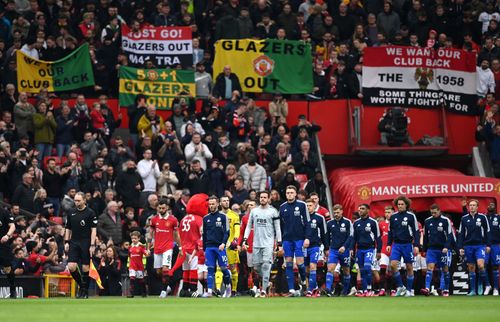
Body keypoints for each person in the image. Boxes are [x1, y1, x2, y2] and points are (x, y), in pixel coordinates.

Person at [243, 191, 282, 298]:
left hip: (268, 243)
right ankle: (267, 281)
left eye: (265, 197)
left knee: (266, 265)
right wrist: (245, 239)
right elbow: (248, 226)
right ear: (259, 198)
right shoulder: (254, 211)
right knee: (256, 267)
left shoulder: (273, 211)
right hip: (256, 243)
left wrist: (279, 242)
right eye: (261, 197)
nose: (263, 199)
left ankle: (263, 290)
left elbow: (277, 228)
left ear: (268, 198)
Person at [65, 192, 98, 299]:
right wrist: (66, 241)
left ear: (84, 200)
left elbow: (93, 230)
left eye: (79, 200)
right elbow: (68, 228)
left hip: (86, 241)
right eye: (75, 200)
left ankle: (85, 291)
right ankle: (82, 286)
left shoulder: (90, 213)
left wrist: (92, 244)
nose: (76, 202)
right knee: (71, 266)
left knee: (85, 267)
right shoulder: (71, 212)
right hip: (74, 241)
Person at [387, 196, 420, 297]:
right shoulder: (393, 217)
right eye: (398, 204)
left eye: (402, 204)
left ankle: (409, 290)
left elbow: (416, 231)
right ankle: (401, 286)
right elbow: (390, 231)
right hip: (396, 245)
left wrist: (416, 245)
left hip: (407, 244)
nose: (400, 206)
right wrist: (389, 243)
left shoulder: (411, 216)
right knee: (393, 265)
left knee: (409, 267)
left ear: (406, 205)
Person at [279, 185, 309, 296]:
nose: (290, 194)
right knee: (289, 264)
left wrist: (307, 238)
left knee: (300, 264)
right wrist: (280, 242)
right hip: (287, 239)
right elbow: (281, 226)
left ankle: (303, 283)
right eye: (288, 192)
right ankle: (291, 290)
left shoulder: (302, 205)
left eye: (292, 192)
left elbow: (307, 223)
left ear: (295, 194)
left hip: (299, 239)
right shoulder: (282, 207)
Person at [149, 198, 182, 298]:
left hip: (168, 247)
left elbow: (176, 235)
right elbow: (150, 234)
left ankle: (163, 291)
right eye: (160, 208)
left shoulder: (173, 219)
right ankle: (167, 286)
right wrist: (147, 247)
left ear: (167, 208)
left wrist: (180, 247)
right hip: (157, 248)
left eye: (163, 208)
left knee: (165, 269)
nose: (161, 210)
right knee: (158, 271)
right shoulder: (154, 220)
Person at [458, 199, 491, 296]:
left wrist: (488, 245)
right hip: (468, 246)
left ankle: (488, 285)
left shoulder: (482, 217)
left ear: (477, 207)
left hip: (480, 245)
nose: (472, 207)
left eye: (474, 205)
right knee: (471, 268)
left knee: (481, 265)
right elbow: (461, 234)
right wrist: (460, 247)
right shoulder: (464, 218)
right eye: (470, 205)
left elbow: (487, 231)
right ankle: (473, 290)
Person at [421, 204, 454, 297]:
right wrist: (424, 249)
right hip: (432, 249)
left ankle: (446, 289)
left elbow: (450, 235)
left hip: (443, 249)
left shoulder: (445, 220)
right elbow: (425, 236)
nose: (434, 214)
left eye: (435, 212)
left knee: (445, 269)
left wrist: (447, 246)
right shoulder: (427, 221)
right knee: (430, 268)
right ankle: (427, 288)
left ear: (439, 211)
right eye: (432, 213)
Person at [202, 196, 232, 298]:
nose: (211, 206)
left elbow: (227, 232)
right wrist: (204, 249)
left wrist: (223, 243)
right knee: (210, 269)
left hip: (220, 247)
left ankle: (228, 287)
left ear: (217, 204)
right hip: (209, 248)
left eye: (213, 204)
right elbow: (204, 235)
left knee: (224, 268)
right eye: (209, 204)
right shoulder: (205, 218)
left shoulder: (223, 217)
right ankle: (210, 291)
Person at [353, 204, 382, 297]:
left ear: (368, 210)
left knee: (367, 268)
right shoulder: (356, 223)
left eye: (362, 209)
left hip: (370, 249)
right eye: (359, 208)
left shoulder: (373, 222)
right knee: (361, 270)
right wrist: (352, 249)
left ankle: (370, 289)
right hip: (359, 249)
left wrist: (379, 251)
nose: (360, 210)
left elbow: (378, 237)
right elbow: (353, 238)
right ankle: (364, 290)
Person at [324, 204, 354, 296]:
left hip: (344, 250)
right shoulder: (329, 223)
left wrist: (345, 247)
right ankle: (328, 289)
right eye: (334, 213)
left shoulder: (348, 222)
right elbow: (326, 237)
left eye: (338, 212)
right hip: (333, 250)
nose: (336, 214)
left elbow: (350, 236)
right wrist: (327, 248)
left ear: (342, 211)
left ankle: (345, 291)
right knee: (330, 269)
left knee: (346, 271)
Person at [304, 198, 327, 297]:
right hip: (303, 247)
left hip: (315, 246)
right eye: (307, 205)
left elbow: (324, 233)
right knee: (307, 269)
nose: (308, 207)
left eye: (310, 205)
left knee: (313, 266)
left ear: (314, 206)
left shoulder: (319, 218)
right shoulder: (302, 217)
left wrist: (326, 248)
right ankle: (315, 287)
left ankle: (310, 290)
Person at [175, 212, 203, 297]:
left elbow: (178, 234)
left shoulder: (184, 218)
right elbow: (202, 233)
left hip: (184, 247)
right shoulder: (199, 218)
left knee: (186, 269)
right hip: (193, 248)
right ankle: (193, 290)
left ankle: (184, 290)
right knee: (193, 269)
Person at [218, 196, 240, 296]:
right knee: (219, 267)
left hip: (230, 245)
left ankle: (234, 290)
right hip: (220, 246)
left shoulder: (234, 215)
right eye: (224, 201)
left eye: (227, 201)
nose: (226, 202)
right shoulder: (217, 215)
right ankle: (218, 289)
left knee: (232, 267)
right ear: (220, 203)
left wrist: (235, 240)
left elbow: (237, 229)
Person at [0, 207, 16, 298]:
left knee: (7, 268)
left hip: (3, 245)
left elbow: (12, 226)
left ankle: (12, 290)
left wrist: (7, 235)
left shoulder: (4, 212)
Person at [128, 231, 149, 298]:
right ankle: (131, 293)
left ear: (139, 239)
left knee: (141, 280)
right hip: (132, 266)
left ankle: (144, 292)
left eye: (135, 238)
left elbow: (146, 254)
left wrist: (148, 252)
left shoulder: (141, 247)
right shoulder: (130, 247)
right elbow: (129, 256)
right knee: (132, 278)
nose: (133, 240)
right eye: (132, 238)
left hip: (139, 266)